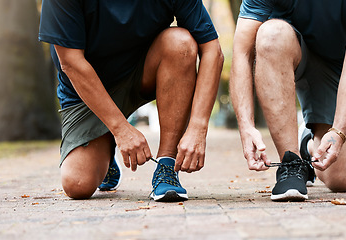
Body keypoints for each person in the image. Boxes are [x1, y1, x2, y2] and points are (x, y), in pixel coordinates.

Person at [38, 0, 224, 202]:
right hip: (87, 88)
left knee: (181, 43)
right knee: (77, 184)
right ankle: (107, 147)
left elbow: (213, 50)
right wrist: (121, 130)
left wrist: (198, 128)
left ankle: (166, 166)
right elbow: (71, 63)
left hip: (141, 72)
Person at [230, 0, 346, 201]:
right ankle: (291, 163)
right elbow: (242, 52)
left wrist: (338, 131)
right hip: (283, 48)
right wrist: (246, 126)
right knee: (271, 34)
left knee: (342, 179)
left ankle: (307, 144)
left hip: (336, 64)